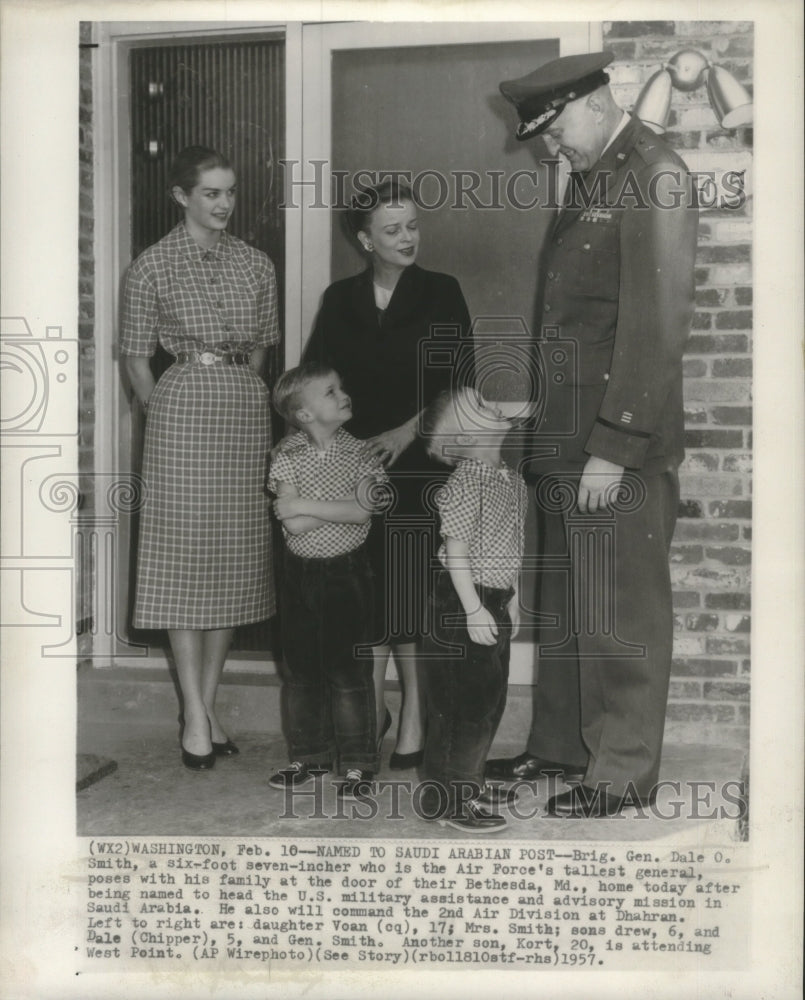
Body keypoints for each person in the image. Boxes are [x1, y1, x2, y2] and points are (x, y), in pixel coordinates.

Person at [487, 52, 698, 817]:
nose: (547, 147)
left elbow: (656, 322)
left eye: (554, 128)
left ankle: (619, 773)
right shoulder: (591, 175)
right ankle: (563, 746)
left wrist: (614, 443)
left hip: (613, 443)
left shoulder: (653, 171)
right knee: (569, 605)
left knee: (618, 608)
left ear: (597, 100)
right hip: (563, 435)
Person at [303, 179, 474, 768]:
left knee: (405, 590)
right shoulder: (339, 298)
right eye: (393, 230)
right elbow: (318, 381)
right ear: (364, 240)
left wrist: (407, 431)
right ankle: (368, 713)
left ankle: (415, 718)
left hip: (421, 464)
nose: (408, 238)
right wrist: (334, 452)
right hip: (355, 465)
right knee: (361, 593)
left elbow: (461, 381)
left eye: (413, 226)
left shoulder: (441, 292)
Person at [121, 145, 279, 771]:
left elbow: (263, 349)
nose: (224, 203)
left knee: (233, 560)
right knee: (184, 560)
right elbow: (136, 356)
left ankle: (207, 705)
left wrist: (240, 388)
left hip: (243, 410)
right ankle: (191, 710)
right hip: (180, 410)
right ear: (182, 196)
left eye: (230, 191)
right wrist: (161, 409)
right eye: (211, 192)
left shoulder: (257, 263)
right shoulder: (151, 266)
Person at [267, 363, 388, 799]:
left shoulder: (363, 453)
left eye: (340, 388)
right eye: (330, 392)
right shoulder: (287, 453)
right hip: (299, 575)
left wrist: (304, 503)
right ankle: (309, 756)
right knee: (302, 672)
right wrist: (317, 507)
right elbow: (291, 523)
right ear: (304, 415)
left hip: (347, 573)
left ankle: (357, 763)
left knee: (349, 672)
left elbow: (361, 511)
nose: (343, 395)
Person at [419, 387, 527, 832]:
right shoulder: (466, 481)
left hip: (492, 601)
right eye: (481, 406)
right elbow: (456, 550)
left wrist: (512, 598)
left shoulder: (509, 477)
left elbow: (513, 544)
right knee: (462, 706)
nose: (494, 404)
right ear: (465, 437)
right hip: (462, 602)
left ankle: (466, 779)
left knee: (487, 701)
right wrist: (473, 609)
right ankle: (448, 799)